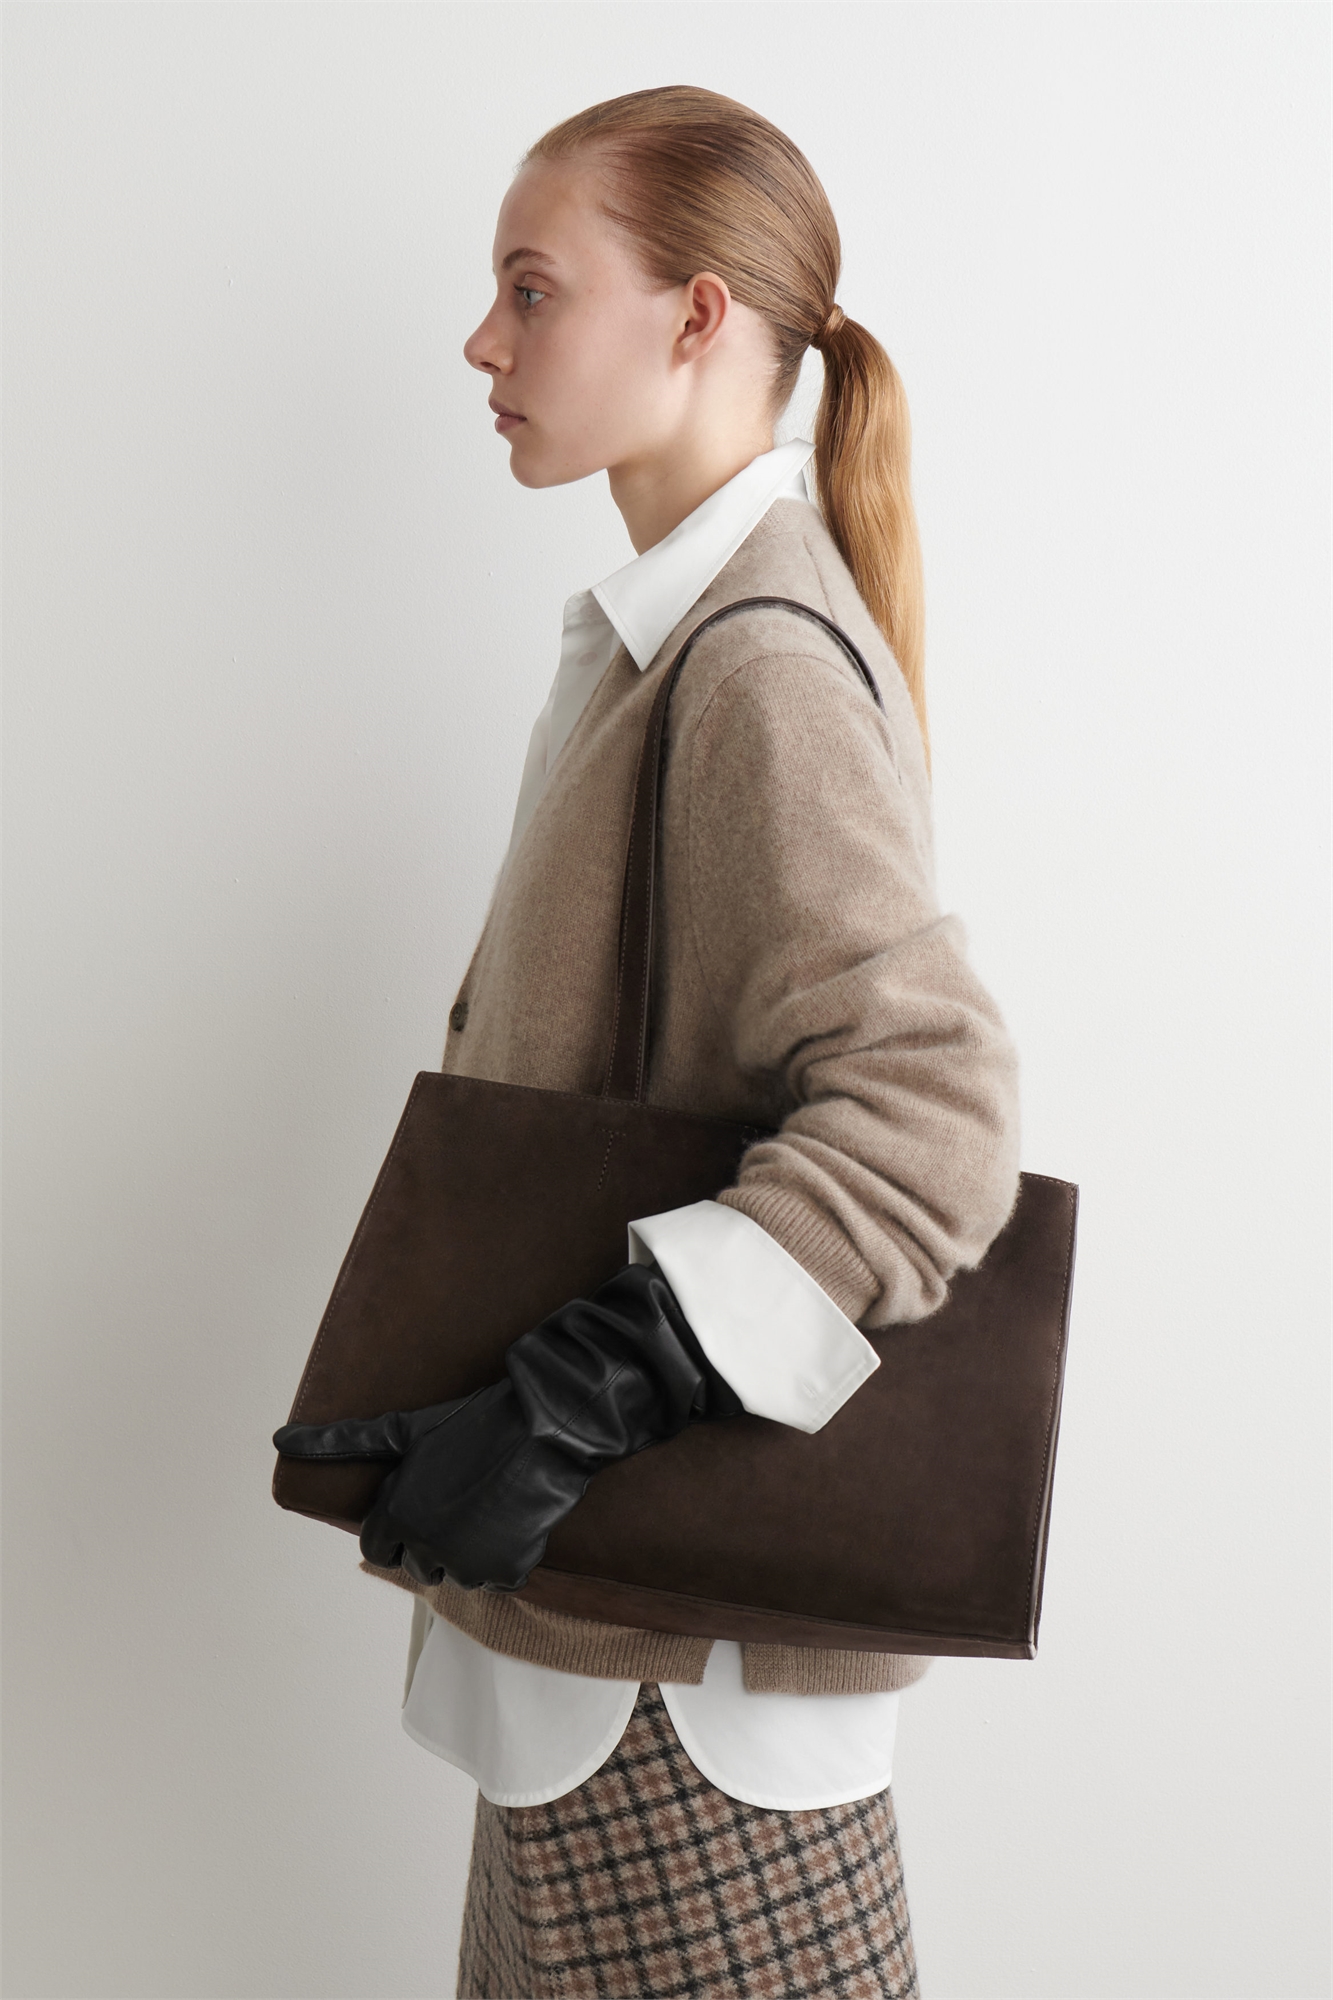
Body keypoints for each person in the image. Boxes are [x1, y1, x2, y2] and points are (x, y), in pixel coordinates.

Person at [276, 85, 1019, 2000]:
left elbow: (930, 1111)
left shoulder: (752, 657)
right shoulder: (670, 639)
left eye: (531, 289)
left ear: (695, 318)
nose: (482, 341)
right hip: (613, 1671)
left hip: (677, 1721)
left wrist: (585, 1387)